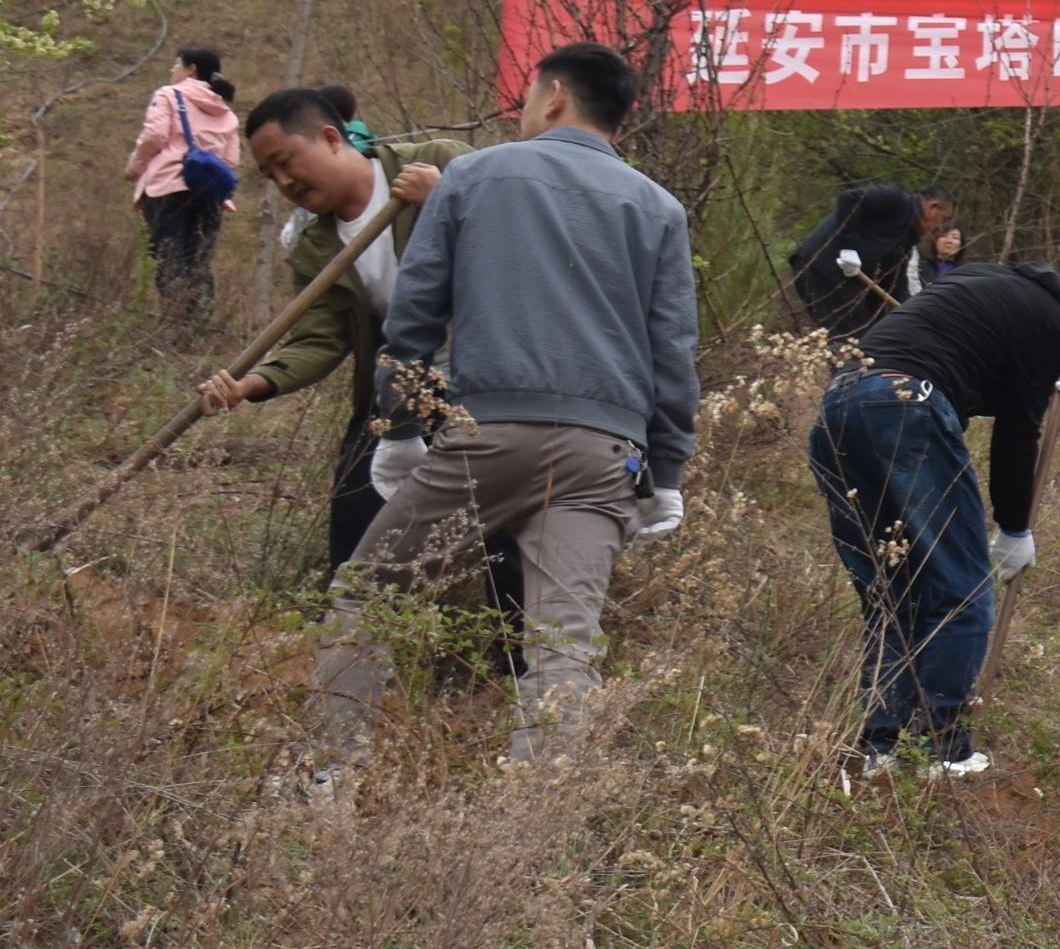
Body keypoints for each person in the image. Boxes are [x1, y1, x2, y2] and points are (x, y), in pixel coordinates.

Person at [305, 42, 699, 793]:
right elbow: (672, 351)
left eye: (526, 97)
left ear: (553, 95)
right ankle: (534, 825)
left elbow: (415, 315)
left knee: (369, 593)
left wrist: (403, 426)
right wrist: (667, 469)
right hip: (602, 451)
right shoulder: (658, 206)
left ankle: (328, 778)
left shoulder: (475, 175)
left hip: (487, 434)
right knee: (563, 642)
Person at [196, 88, 523, 629]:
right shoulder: (314, 245)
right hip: (403, 386)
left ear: (329, 138)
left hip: (491, 377)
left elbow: (522, 232)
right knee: (358, 499)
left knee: (507, 517)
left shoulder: (437, 161)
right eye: (270, 176)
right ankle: (351, 644)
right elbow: (319, 339)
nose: (285, 184)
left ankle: (522, 661)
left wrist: (443, 196)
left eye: (286, 163)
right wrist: (251, 384)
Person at [812, 255, 1060, 782]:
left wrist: (1040, 384)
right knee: (960, 588)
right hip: (907, 407)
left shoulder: (984, 279)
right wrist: (1014, 526)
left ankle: (884, 748)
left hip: (840, 406)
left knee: (894, 591)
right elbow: (1016, 433)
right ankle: (942, 748)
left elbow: (958, 367)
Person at [126, 45, 241, 321]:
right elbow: (232, 160)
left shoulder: (169, 95)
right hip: (210, 194)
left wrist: (135, 166)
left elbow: (154, 135)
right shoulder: (225, 111)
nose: (171, 70)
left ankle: (177, 324)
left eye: (176, 65)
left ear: (192, 70)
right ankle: (202, 326)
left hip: (169, 187)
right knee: (198, 261)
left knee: (168, 256)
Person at [787, 179, 955, 334]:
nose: (940, 227)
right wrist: (848, 247)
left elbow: (894, 285)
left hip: (842, 279)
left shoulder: (905, 241)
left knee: (868, 332)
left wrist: (911, 311)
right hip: (820, 263)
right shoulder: (897, 199)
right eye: (943, 219)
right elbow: (850, 198)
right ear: (933, 207)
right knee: (847, 337)